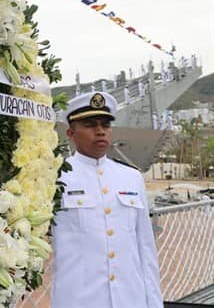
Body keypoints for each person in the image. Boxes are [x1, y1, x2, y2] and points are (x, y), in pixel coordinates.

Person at [51, 92, 163, 308]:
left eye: (106, 124)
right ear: (71, 133)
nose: (100, 131)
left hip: (130, 299)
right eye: (90, 125)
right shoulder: (56, 177)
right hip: (79, 300)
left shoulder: (132, 178)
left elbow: (145, 247)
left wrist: (154, 303)